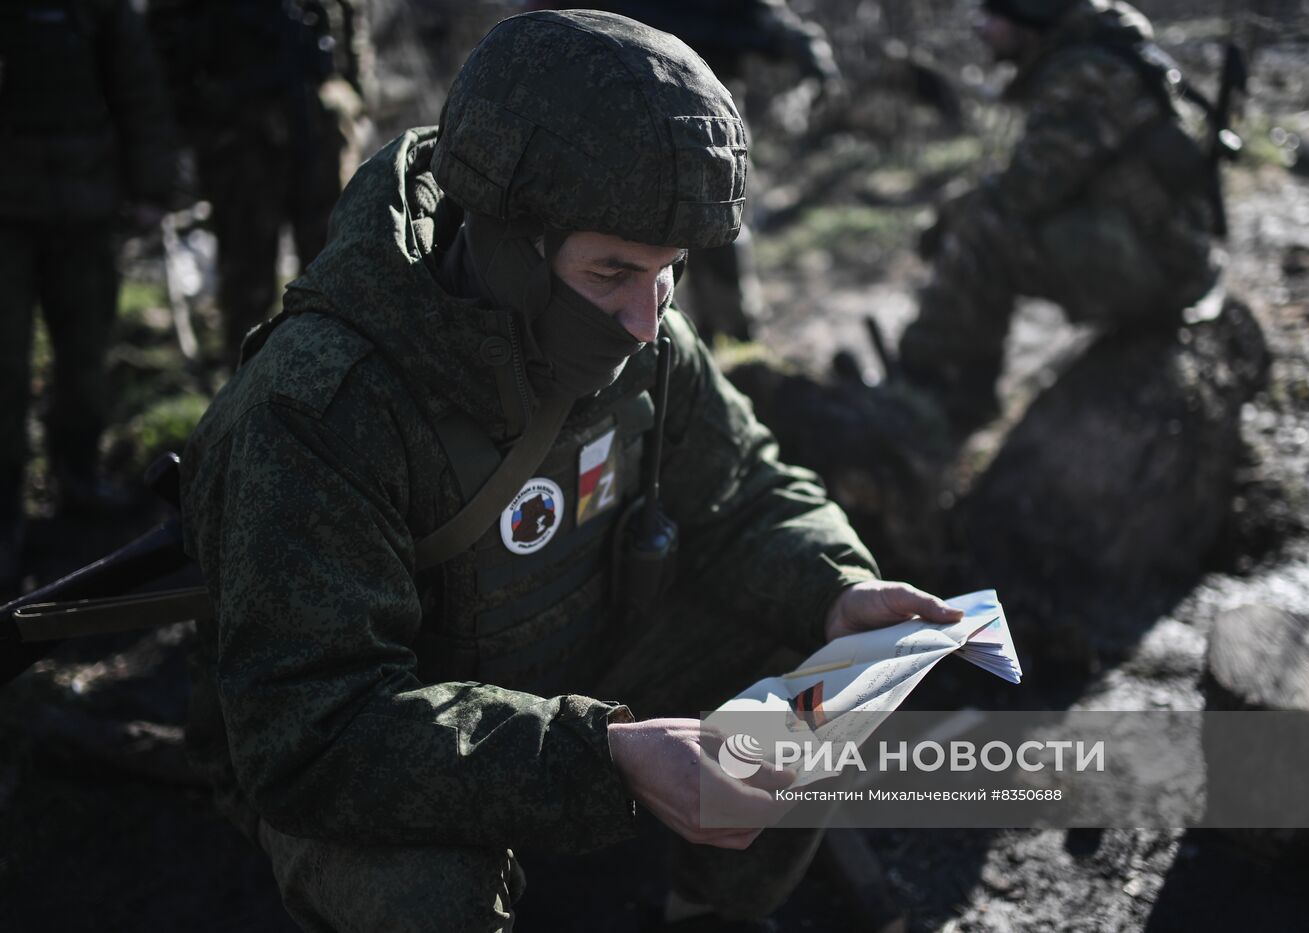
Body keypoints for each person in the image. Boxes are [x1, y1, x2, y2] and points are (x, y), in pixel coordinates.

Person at [180, 10, 960, 931]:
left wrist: (838, 590)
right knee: (421, 899)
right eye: (611, 274)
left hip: (582, 672)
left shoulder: (647, 330)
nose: (645, 318)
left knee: (821, 680)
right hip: (385, 741)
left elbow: (745, 487)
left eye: (668, 275)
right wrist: (604, 756)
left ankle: (712, 913)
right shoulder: (322, 405)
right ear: (507, 242)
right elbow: (312, 730)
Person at [898, 0, 1222, 431]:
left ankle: (932, 390)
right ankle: (953, 388)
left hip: (1161, 275)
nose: (981, 28)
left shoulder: (1082, 73)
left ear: (1031, 21)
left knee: (982, 228)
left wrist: (952, 213)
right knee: (979, 216)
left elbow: (1029, 189)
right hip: (1163, 256)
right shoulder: (1094, 56)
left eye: (994, 17)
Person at [532, 0, 842, 344]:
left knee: (719, 226)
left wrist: (804, 50)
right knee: (628, 238)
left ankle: (728, 334)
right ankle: (661, 337)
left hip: (706, 106)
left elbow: (766, 18)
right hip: (610, 106)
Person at [0, 0, 178, 591]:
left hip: (85, 202)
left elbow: (136, 82)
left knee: (84, 359)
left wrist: (152, 186)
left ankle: (77, 479)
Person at [146, 0, 371, 367]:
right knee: (249, 288)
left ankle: (340, 387)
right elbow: (163, 44)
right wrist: (202, 117)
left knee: (336, 272)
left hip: (318, 125)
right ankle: (250, 400)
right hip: (240, 137)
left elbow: (349, 18)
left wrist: (352, 96)